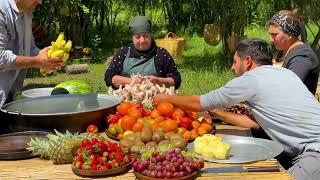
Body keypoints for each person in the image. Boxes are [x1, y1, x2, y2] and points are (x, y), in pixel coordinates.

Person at [153, 38, 320, 180]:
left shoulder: (252, 79)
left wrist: (165, 98)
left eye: (235, 61)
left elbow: (201, 102)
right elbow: (256, 124)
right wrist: (218, 112)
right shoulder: (285, 74)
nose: (232, 68)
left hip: (314, 154)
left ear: (247, 61)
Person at [0, 0, 64, 107]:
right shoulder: (2, 11)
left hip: (9, 94)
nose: (40, 2)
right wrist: (37, 61)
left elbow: (30, 49)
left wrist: (47, 57)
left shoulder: (26, 13)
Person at [104, 16, 181, 89]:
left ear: (151, 35)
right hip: (126, 99)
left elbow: (176, 80)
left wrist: (159, 81)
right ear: (132, 38)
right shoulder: (123, 53)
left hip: (156, 99)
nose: (142, 40)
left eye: (146, 36)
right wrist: (131, 81)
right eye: (137, 37)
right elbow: (109, 77)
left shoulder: (162, 54)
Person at [268, 10, 320, 95]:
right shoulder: (283, 51)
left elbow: (288, 88)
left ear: (289, 34)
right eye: (270, 34)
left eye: (275, 34)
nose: (271, 39)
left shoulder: (302, 57)